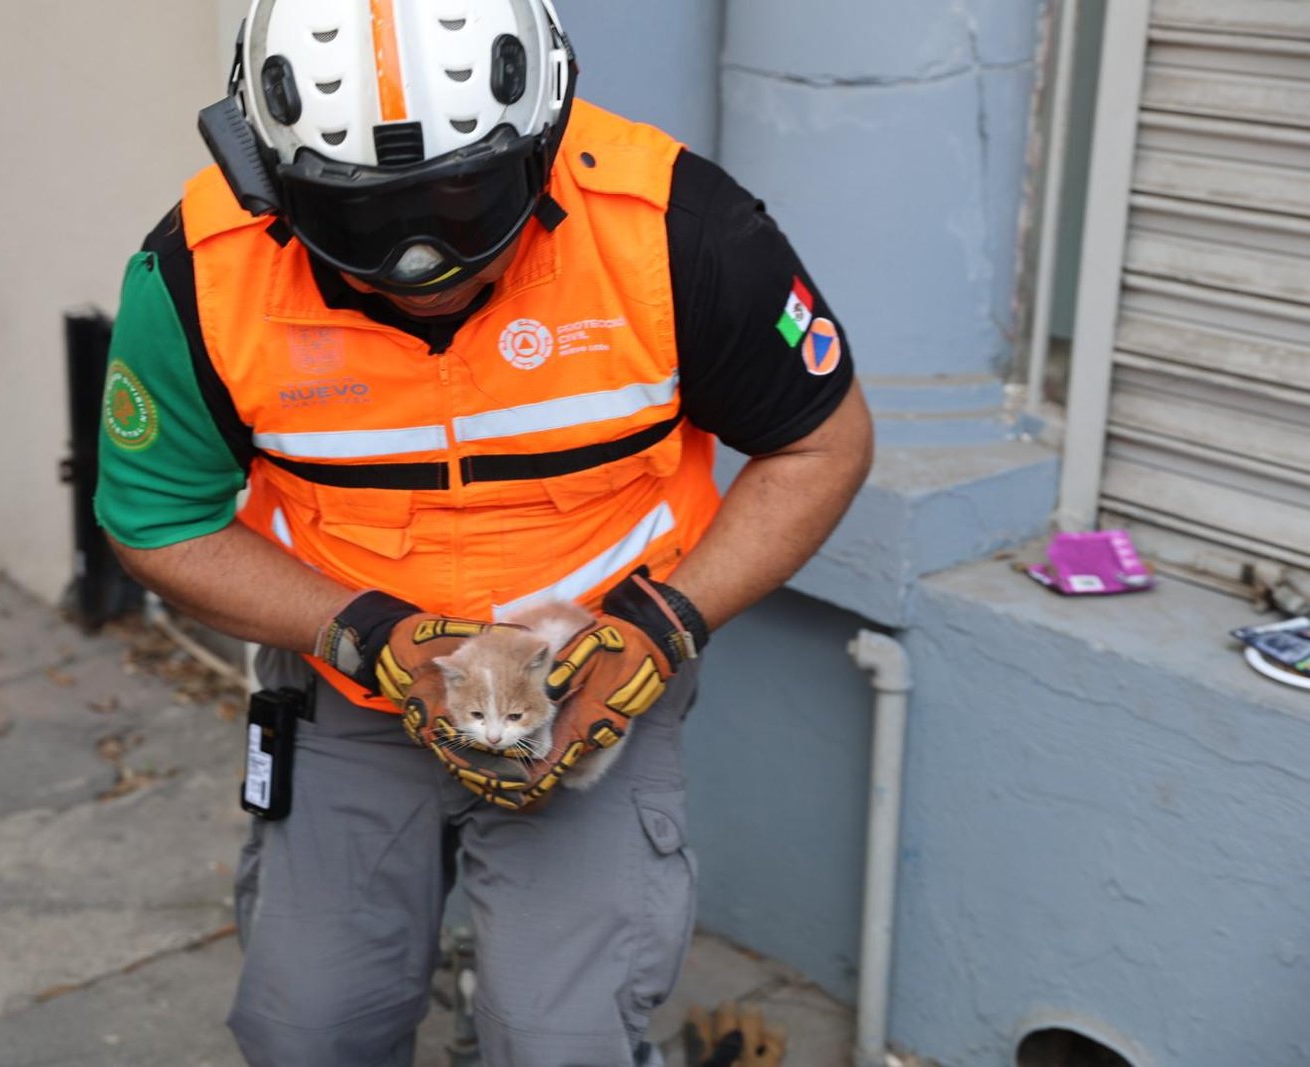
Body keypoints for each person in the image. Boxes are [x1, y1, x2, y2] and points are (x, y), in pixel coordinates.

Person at [94, 1, 873, 1063]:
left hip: (599, 684)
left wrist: (660, 629)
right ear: (267, 179)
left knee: (563, 1042)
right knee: (307, 1032)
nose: (423, 263)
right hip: (351, 686)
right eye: (361, 218)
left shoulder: (676, 227)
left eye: (467, 198)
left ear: (543, 141)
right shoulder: (199, 269)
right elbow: (157, 518)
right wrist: (370, 634)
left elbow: (820, 445)